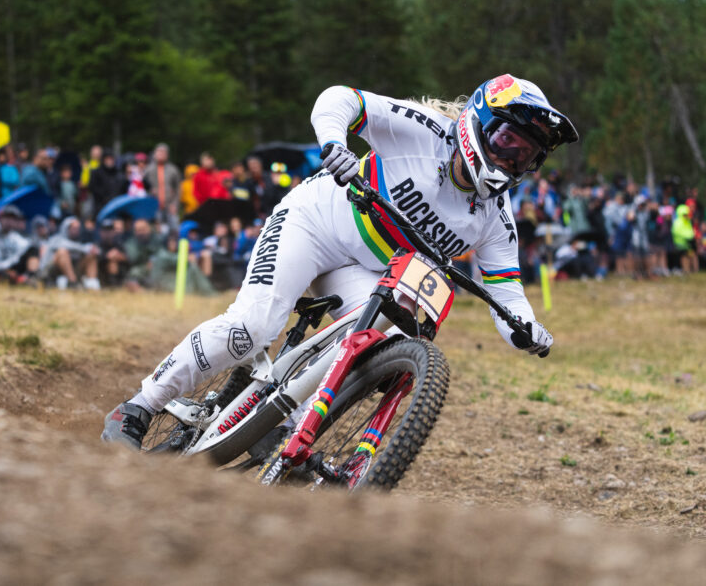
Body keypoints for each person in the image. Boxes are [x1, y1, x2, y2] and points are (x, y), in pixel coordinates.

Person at [103, 74, 576, 448]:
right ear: (478, 122)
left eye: (525, 156)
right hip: (314, 224)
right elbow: (339, 98)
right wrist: (335, 144)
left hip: (366, 272)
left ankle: (275, 414)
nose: (511, 160)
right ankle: (137, 408)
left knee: (381, 350)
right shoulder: (422, 130)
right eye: (507, 143)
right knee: (252, 325)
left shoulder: (496, 219)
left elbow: (505, 291)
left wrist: (527, 330)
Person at [143, 143, 180, 221]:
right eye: (159, 152)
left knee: (174, 229)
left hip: (169, 205)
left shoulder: (173, 170)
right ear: (154, 154)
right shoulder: (148, 170)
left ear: (167, 155)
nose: (161, 154)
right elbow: (142, 187)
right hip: (153, 205)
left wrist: (175, 204)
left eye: (163, 152)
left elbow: (178, 189)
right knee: (156, 229)